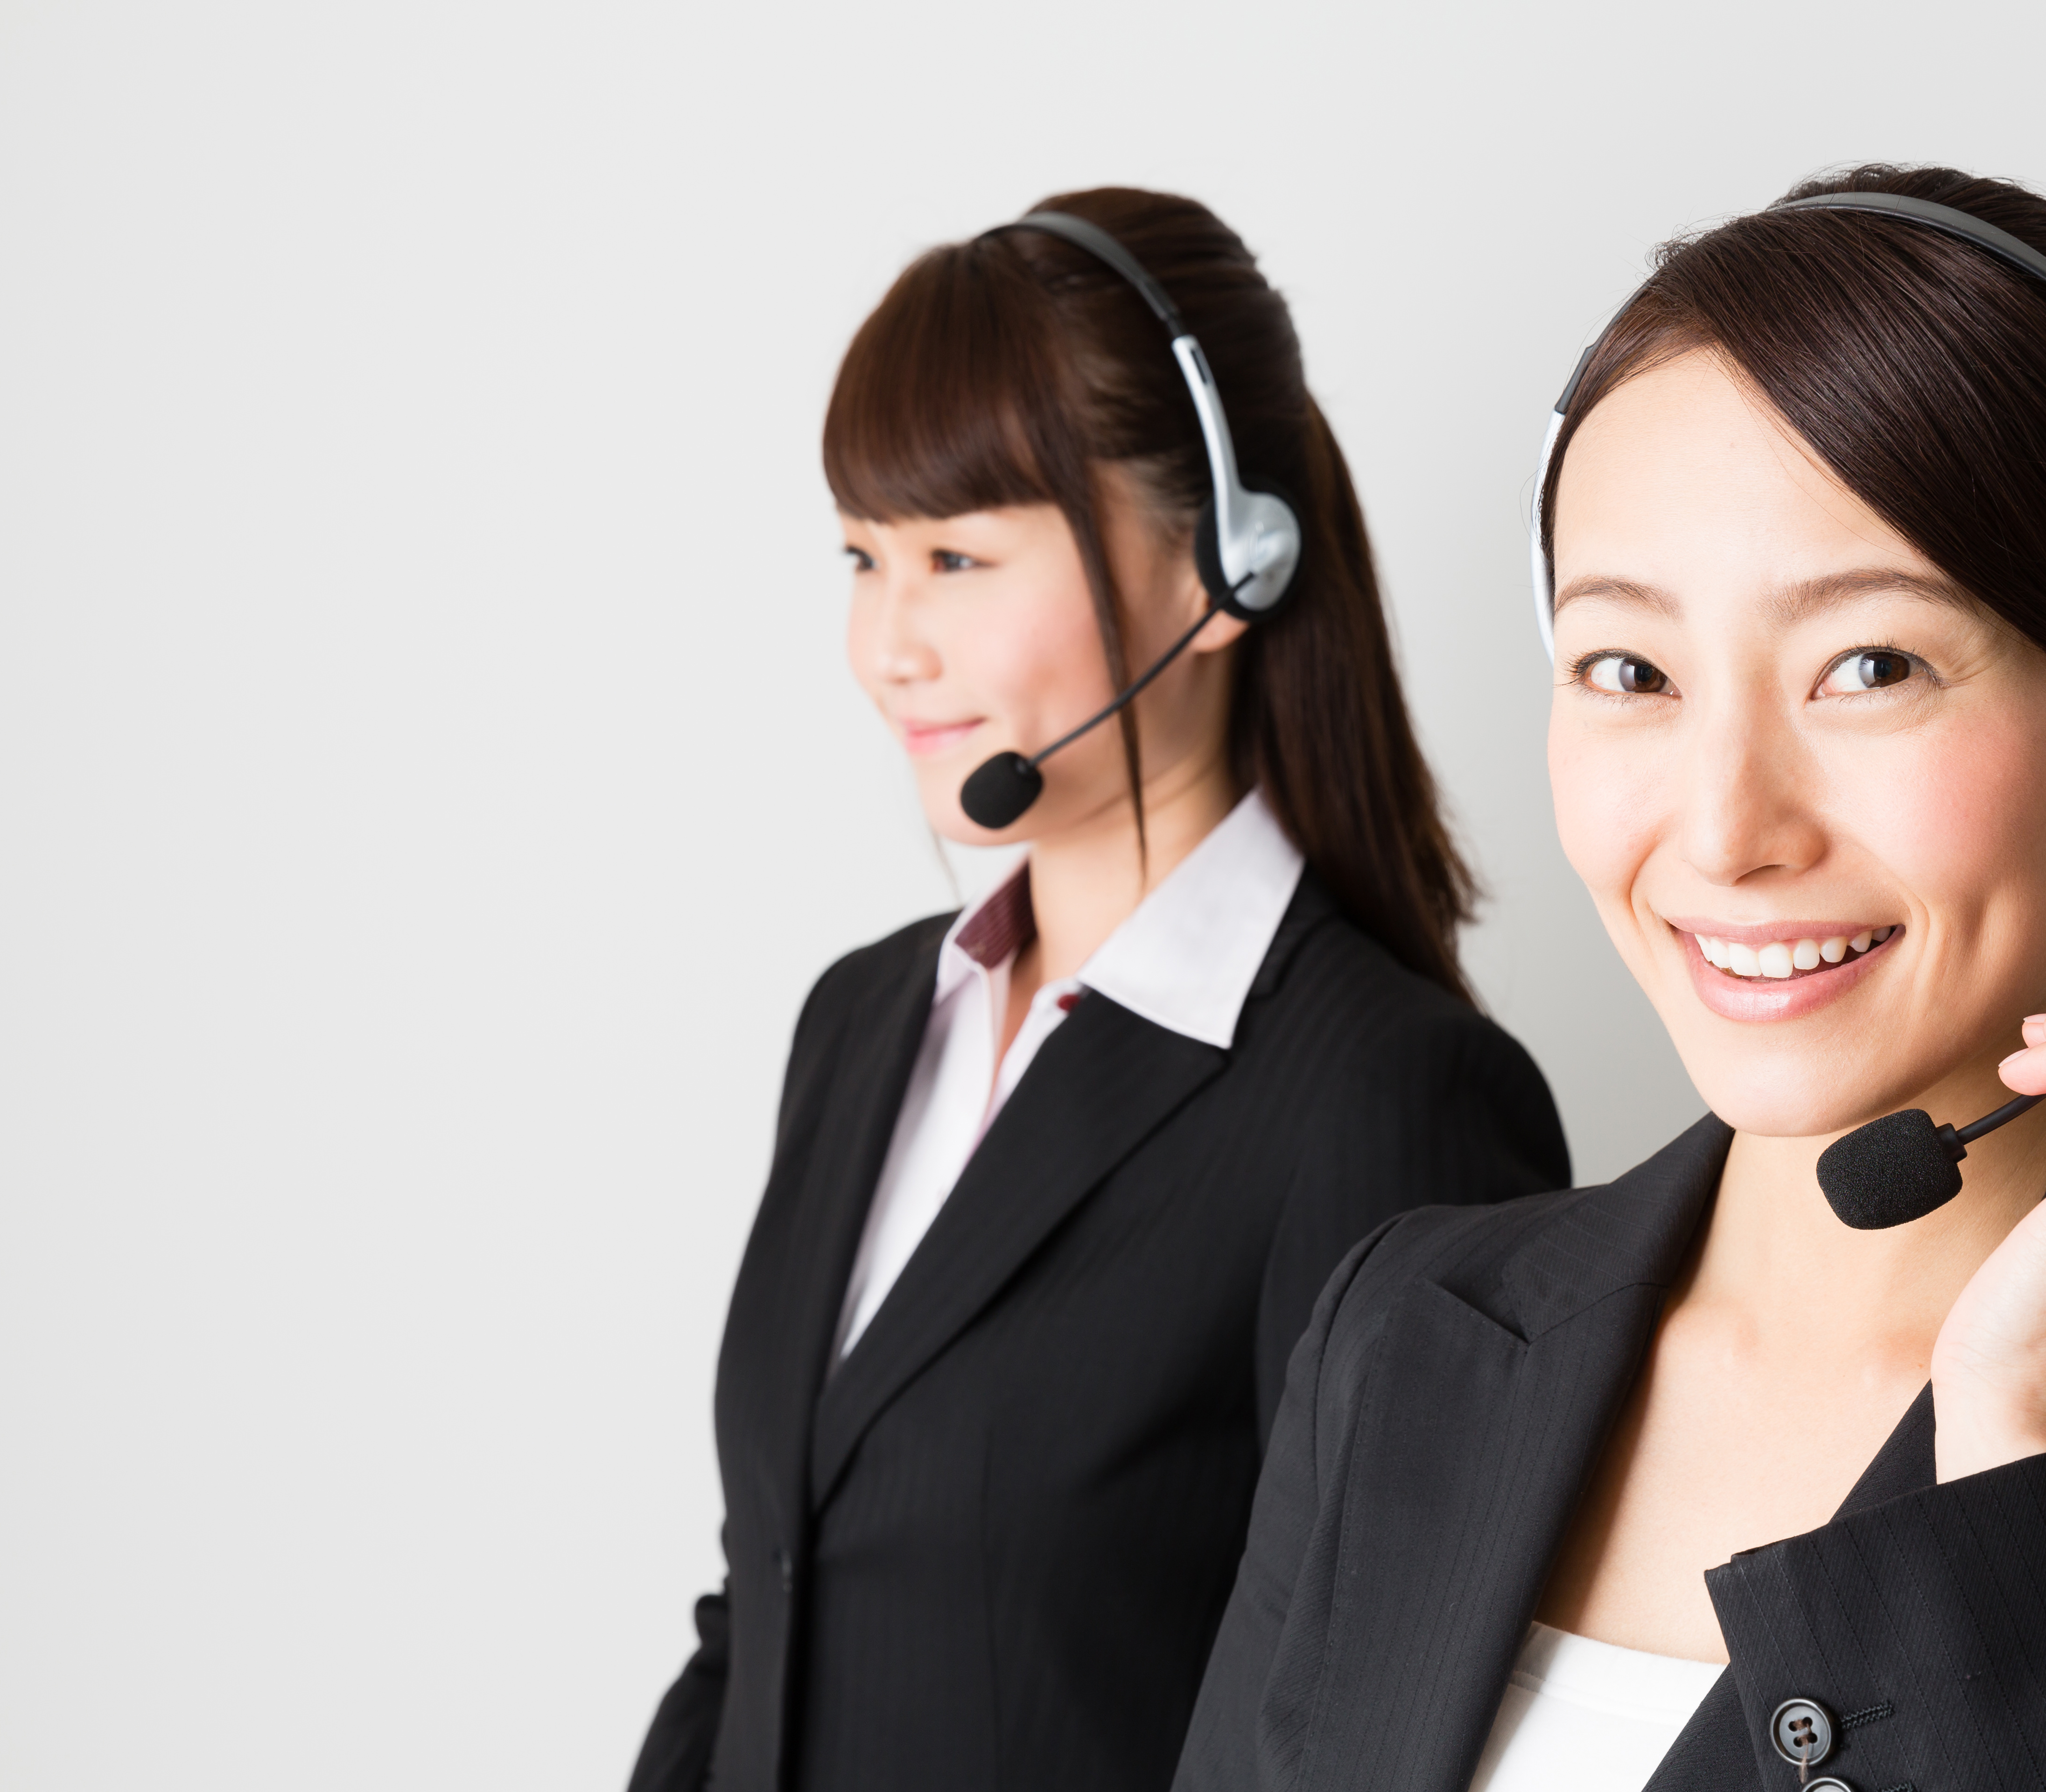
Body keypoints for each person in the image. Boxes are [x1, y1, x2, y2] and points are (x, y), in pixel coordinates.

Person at [1175, 166, 2046, 1792]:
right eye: (1629, 669)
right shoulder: (1402, 1334)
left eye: (1873, 666)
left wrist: (2016, 1456)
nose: (1725, 828)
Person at [629, 188, 1571, 1792]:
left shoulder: (1386, 1096)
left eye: (958, 557)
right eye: (865, 557)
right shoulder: (864, 1024)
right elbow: (770, 1606)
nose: (888, 646)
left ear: (1226, 567)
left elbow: (1363, 1728)